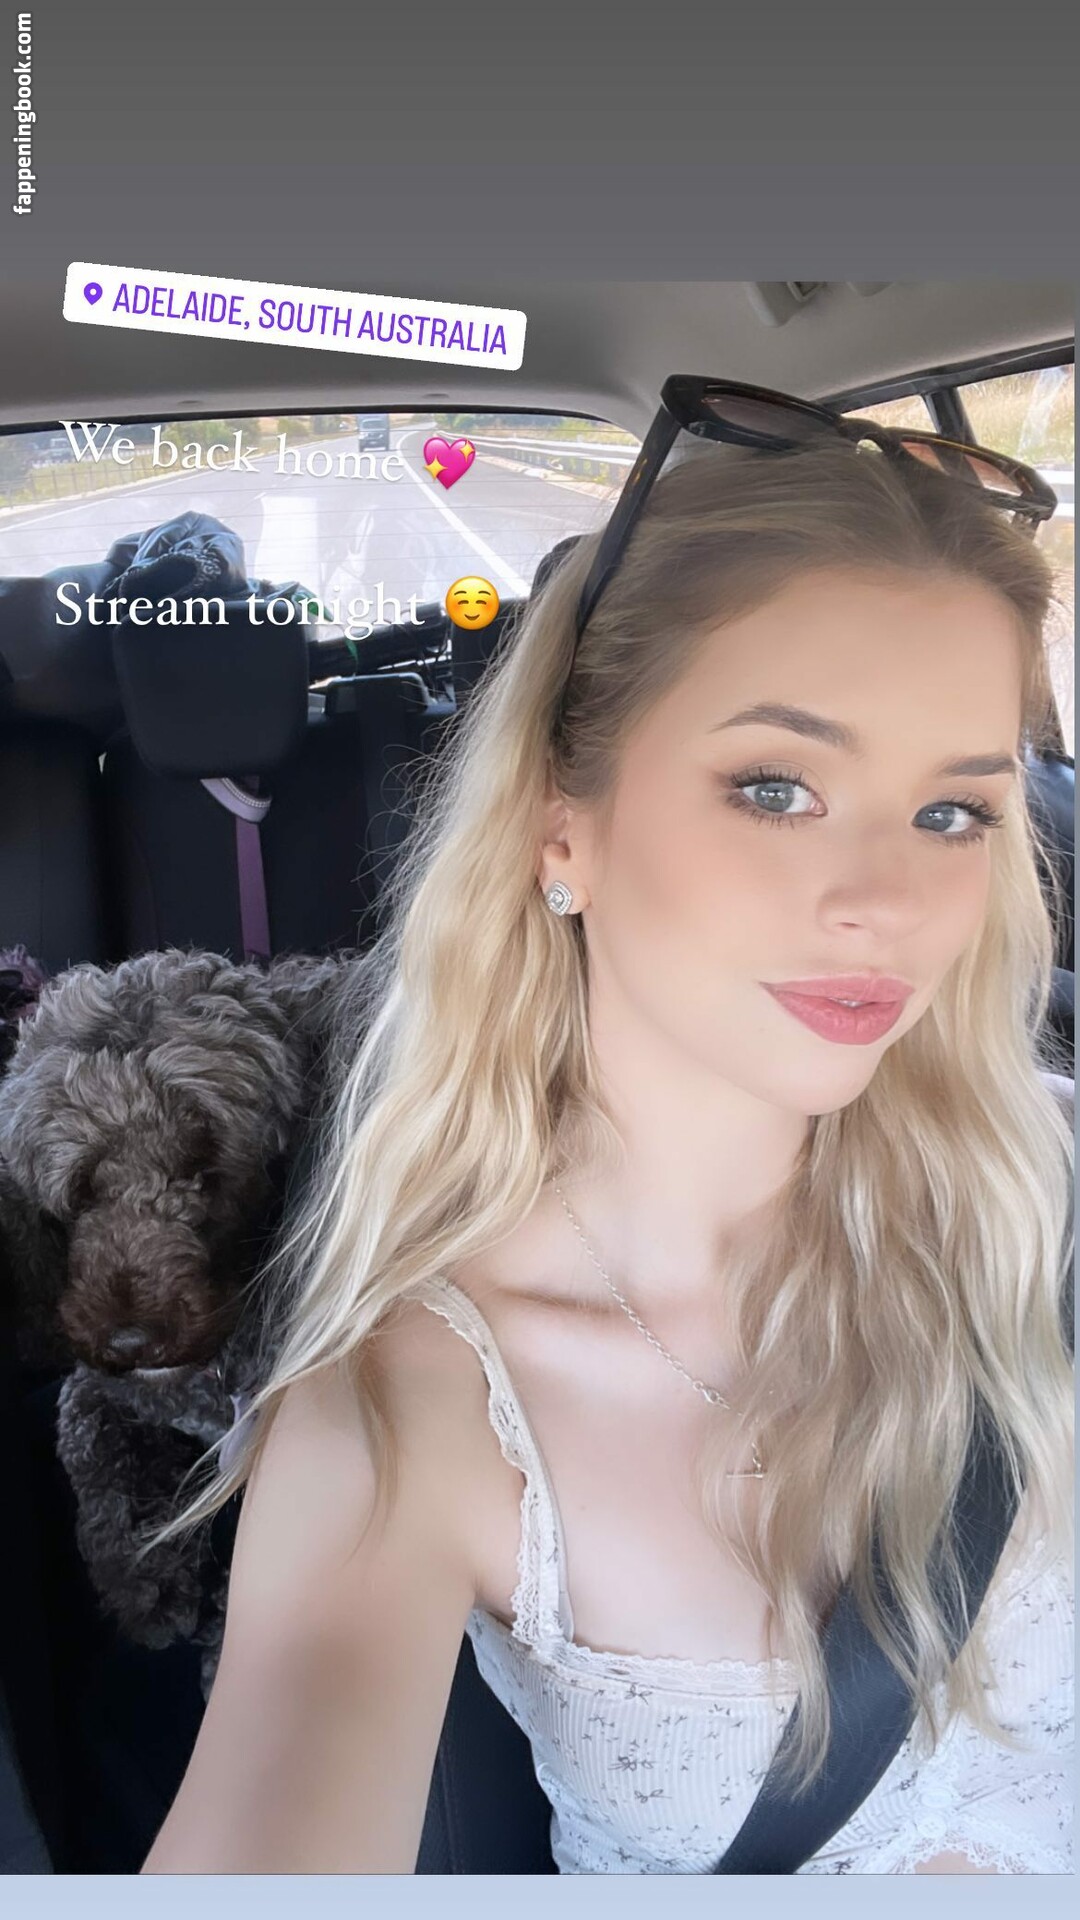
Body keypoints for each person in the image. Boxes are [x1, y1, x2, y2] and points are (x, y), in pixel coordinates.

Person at [139, 388, 1074, 1875]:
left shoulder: (1045, 1199)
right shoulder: (410, 1410)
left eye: (953, 813)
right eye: (777, 788)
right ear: (560, 827)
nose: (887, 904)